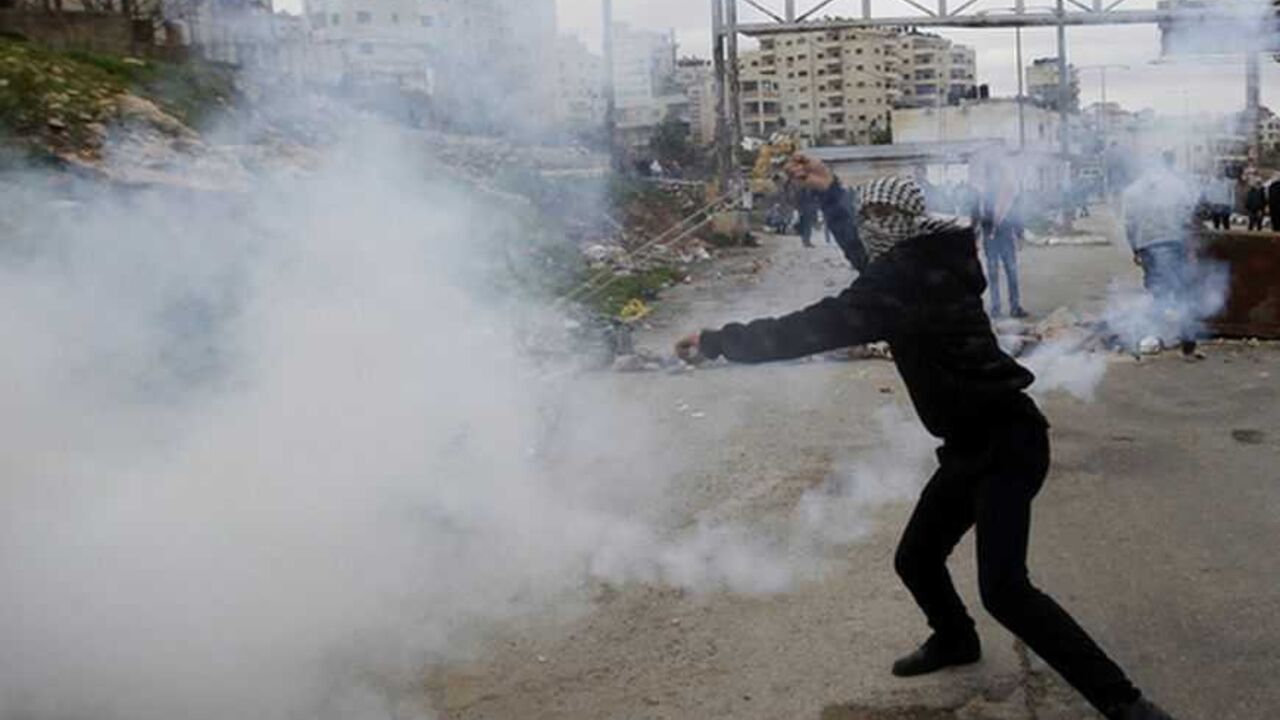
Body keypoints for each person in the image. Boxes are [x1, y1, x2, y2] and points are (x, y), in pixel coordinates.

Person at [675, 155, 1178, 720]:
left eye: (880, 216)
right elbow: (869, 255)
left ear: (903, 225)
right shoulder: (926, 259)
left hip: (1007, 443)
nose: (872, 227)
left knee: (1006, 590)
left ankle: (1127, 705)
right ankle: (956, 639)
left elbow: (809, 327)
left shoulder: (903, 282)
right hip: (971, 446)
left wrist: (719, 341)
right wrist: (834, 192)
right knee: (916, 558)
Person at [1122, 152, 1203, 360]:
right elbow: (1189, 217)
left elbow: (1129, 224)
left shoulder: (1133, 190)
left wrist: (1135, 249)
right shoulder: (1178, 185)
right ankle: (1187, 345)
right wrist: (1192, 248)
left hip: (1147, 244)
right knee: (1183, 293)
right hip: (1175, 243)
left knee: (1158, 292)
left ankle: (1154, 337)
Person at [979, 161, 1028, 319]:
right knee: (993, 275)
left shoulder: (1008, 193)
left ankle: (1015, 307)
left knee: (1012, 273)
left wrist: (1020, 235)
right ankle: (995, 308)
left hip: (1006, 237)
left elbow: (1016, 215)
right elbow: (978, 218)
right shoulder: (984, 194)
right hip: (991, 239)